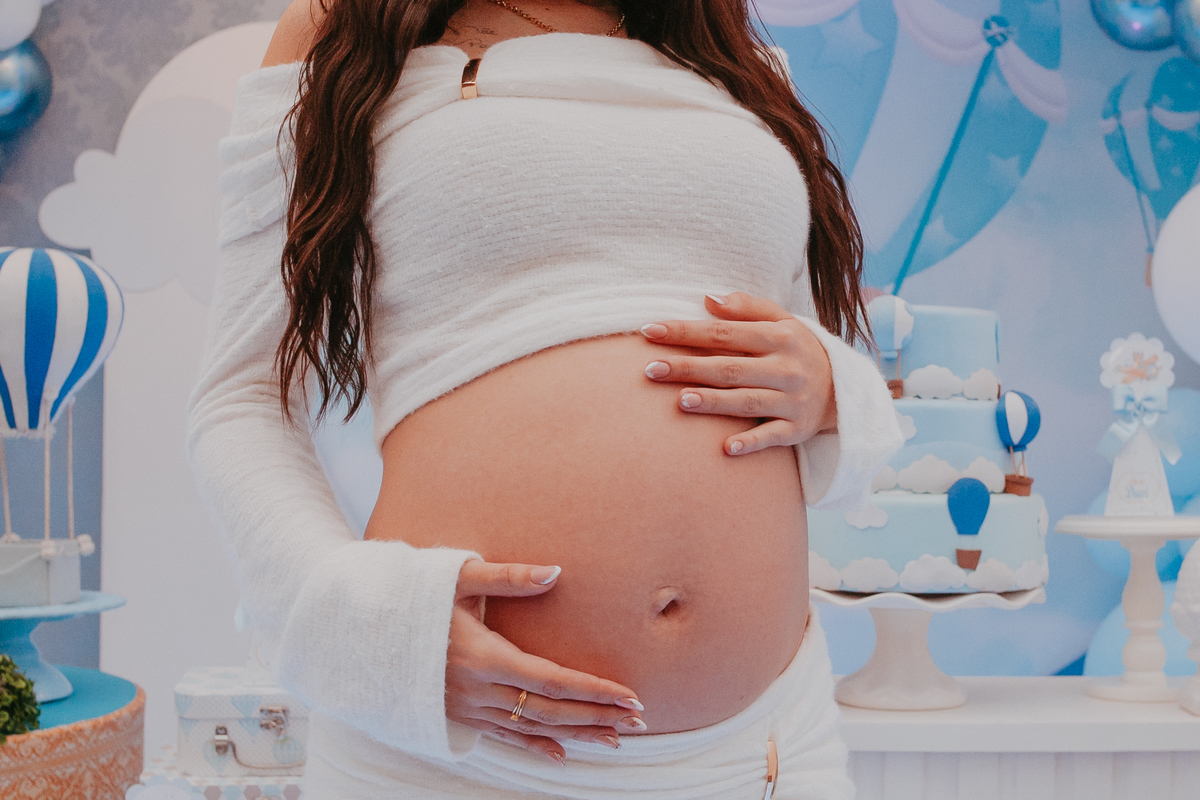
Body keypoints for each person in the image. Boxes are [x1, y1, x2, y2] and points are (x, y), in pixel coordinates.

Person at [187, 0, 903, 797]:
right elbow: (242, 397)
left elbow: (787, 337)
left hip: (760, 757)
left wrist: (832, 390)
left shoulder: (722, 44)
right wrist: (379, 636)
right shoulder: (341, 24)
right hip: (458, 766)